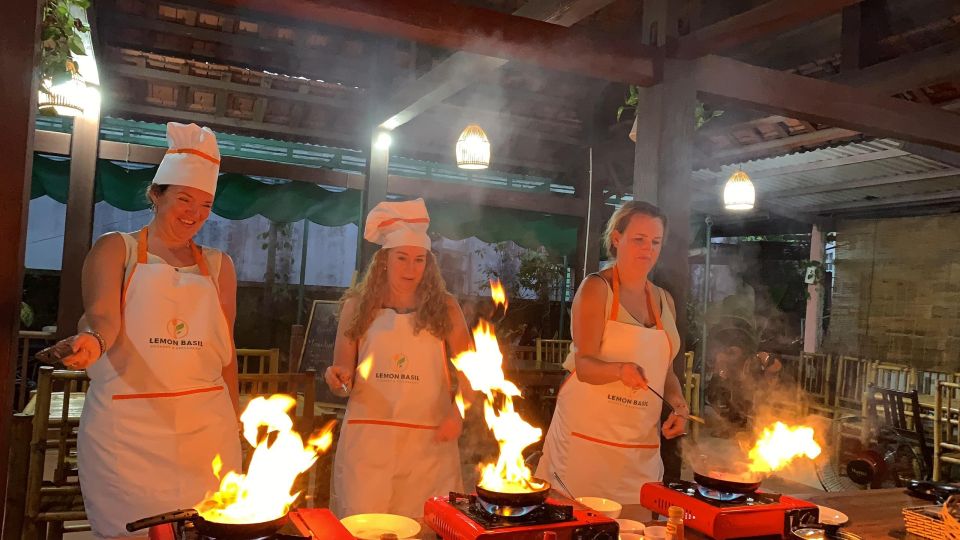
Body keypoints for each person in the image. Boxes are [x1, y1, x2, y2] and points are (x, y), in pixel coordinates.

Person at [52, 123, 242, 538]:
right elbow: (102, 318)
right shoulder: (117, 248)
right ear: (156, 195)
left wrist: (237, 419)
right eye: (184, 198)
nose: (194, 212)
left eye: (205, 203)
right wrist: (91, 341)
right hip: (129, 429)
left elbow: (224, 348)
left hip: (207, 429)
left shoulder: (219, 265)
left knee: (210, 528)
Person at [324, 198, 472, 518]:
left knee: (424, 525)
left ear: (429, 264)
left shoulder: (445, 307)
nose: (410, 269)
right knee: (363, 522)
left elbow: (472, 373)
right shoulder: (357, 306)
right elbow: (341, 375)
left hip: (429, 441)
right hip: (368, 440)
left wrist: (457, 414)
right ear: (384, 260)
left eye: (419, 260)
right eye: (402, 258)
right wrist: (335, 378)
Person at [536, 201, 688, 504]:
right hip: (586, 444)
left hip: (639, 449)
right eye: (639, 239)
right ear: (617, 239)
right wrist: (619, 370)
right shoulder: (596, 289)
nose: (648, 249)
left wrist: (678, 405)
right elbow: (586, 365)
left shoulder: (664, 300)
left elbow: (665, 371)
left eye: (655, 242)